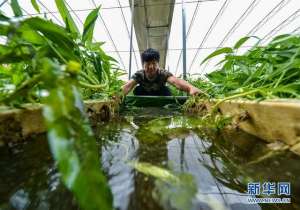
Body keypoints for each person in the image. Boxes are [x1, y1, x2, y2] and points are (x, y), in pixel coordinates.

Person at [122, 48, 201, 96]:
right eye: (148, 64)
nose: (151, 67)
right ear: (143, 64)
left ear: (158, 64)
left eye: (154, 63)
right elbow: (128, 86)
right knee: (137, 90)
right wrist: (116, 95)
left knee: (167, 90)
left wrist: (190, 88)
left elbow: (175, 81)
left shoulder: (163, 73)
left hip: (160, 94)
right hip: (144, 94)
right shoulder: (139, 74)